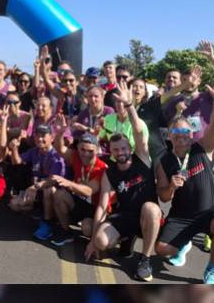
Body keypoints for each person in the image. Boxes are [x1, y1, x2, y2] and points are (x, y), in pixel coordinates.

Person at [155, 74, 214, 285]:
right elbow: (163, 196)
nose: (181, 135)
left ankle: (212, 269)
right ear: (169, 136)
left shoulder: (202, 148)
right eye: (176, 132)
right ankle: (184, 241)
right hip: (182, 215)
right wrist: (171, 186)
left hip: (210, 211)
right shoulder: (164, 161)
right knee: (161, 250)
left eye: (185, 131)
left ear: (192, 134)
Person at [84, 81, 161, 282]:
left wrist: (129, 106)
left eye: (124, 149)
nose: (121, 152)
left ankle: (145, 260)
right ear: (111, 151)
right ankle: (127, 237)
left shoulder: (142, 158)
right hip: (126, 215)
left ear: (130, 147)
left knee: (152, 209)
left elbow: (138, 131)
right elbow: (102, 206)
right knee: (101, 241)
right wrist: (92, 241)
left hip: (147, 215)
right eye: (116, 150)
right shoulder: (110, 173)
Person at [50, 128, 108, 246]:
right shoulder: (76, 156)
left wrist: (69, 183)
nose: (85, 154)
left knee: (87, 229)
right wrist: (60, 132)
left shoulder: (102, 168)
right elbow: (59, 148)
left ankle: (95, 238)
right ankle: (66, 232)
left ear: (97, 150)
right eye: (82, 149)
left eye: (90, 151)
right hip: (78, 202)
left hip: (94, 208)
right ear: (77, 148)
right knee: (58, 195)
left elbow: (89, 191)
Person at [8, 124, 66, 241]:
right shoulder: (34, 151)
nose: (40, 139)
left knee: (48, 190)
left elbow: (53, 180)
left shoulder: (55, 156)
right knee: (14, 204)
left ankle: (48, 223)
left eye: (43, 136)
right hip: (37, 189)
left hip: (56, 193)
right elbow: (17, 162)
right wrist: (14, 149)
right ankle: (39, 212)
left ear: (51, 137)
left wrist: (36, 186)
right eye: (37, 136)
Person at [163, 41, 214, 142]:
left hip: (204, 148)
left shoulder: (209, 96)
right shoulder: (174, 101)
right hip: (182, 149)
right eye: (185, 80)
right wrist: (178, 113)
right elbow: (170, 131)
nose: (189, 82)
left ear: (199, 81)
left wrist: (212, 57)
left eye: (194, 79)